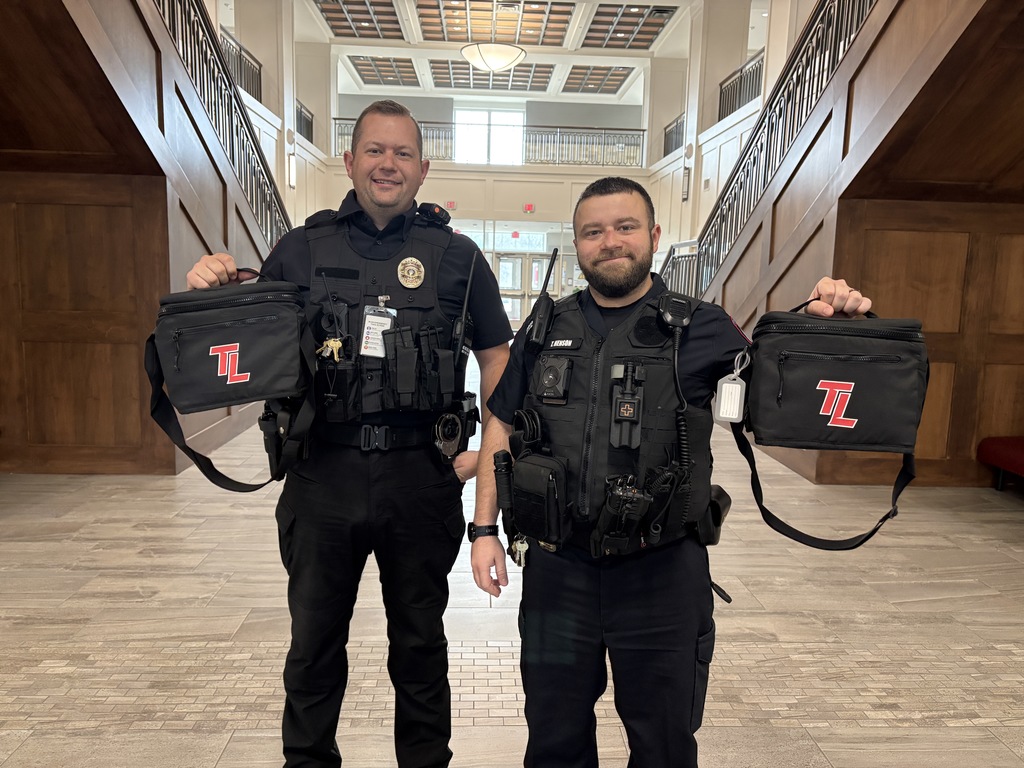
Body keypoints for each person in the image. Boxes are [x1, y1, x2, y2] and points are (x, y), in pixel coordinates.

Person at [469, 176, 871, 768]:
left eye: (625, 227)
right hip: (559, 573)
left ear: (654, 236)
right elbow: (500, 420)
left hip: (661, 573)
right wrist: (483, 531)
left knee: (663, 744)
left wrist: (822, 323)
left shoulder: (703, 326)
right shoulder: (545, 326)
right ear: (577, 245)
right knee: (553, 740)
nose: (610, 242)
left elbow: (782, 391)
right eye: (593, 231)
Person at [187, 100, 512, 768]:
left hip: (419, 478)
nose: (387, 165)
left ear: (423, 168)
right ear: (349, 160)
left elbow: (498, 356)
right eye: (374, 150)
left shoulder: (459, 257)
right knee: (313, 643)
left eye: (401, 154)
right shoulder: (299, 248)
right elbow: (240, 337)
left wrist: (489, 455)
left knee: (420, 645)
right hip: (321, 477)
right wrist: (208, 289)